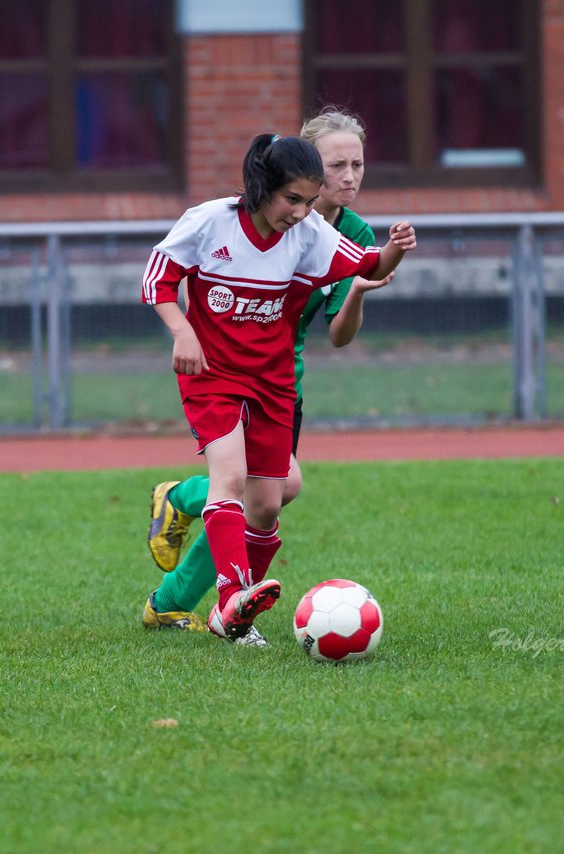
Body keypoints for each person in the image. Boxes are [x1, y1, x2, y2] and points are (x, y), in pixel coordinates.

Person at [141, 119, 414, 645]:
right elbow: (158, 275)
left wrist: (397, 247)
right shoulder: (210, 223)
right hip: (213, 377)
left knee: (268, 503)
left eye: (311, 202)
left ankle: (229, 618)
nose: (302, 213)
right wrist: (182, 332)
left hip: (274, 383)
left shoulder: (310, 233)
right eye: (294, 199)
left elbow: (369, 262)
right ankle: (230, 598)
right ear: (263, 188)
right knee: (230, 480)